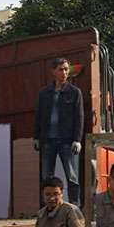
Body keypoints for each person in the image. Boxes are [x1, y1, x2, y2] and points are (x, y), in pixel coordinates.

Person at [33, 57, 84, 207]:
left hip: (67, 140)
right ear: (53, 72)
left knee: (72, 177)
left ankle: (74, 207)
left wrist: (77, 139)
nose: (64, 73)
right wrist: (36, 137)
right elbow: (38, 116)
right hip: (48, 140)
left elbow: (79, 117)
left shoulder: (74, 92)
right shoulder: (44, 93)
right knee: (46, 178)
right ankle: (46, 208)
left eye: (66, 69)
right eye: (61, 69)